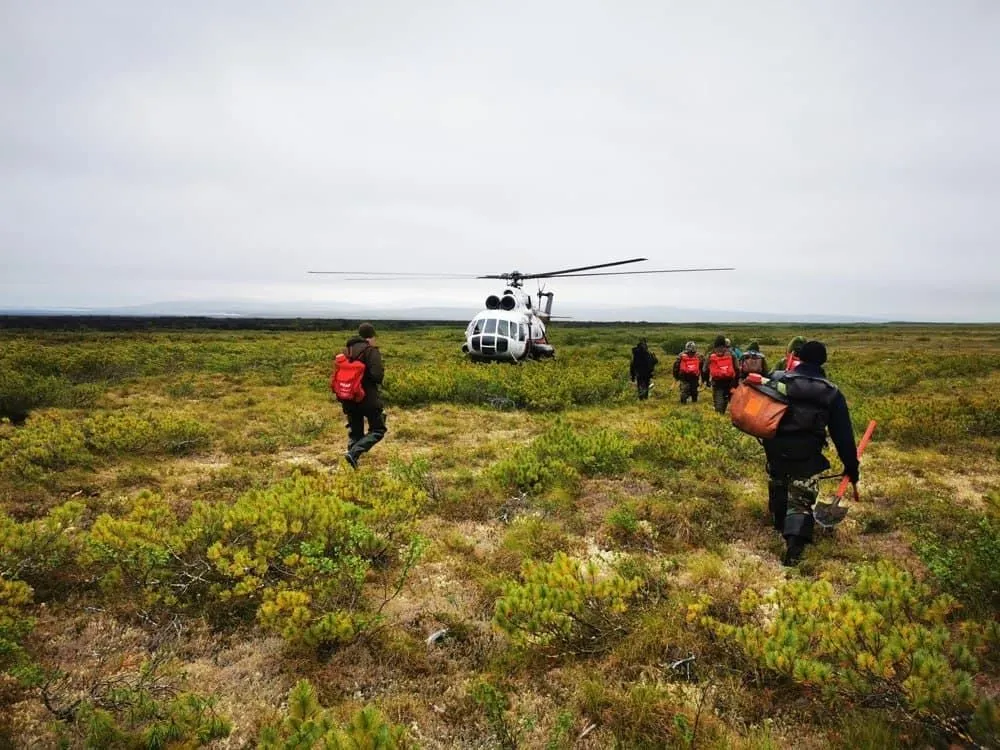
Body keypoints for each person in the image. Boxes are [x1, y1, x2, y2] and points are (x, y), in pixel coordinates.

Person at [762, 341, 859, 565]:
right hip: (807, 453)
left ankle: (779, 522)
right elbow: (843, 435)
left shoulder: (780, 379)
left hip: (775, 447)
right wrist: (851, 465)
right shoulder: (831, 393)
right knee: (801, 499)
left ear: (799, 357)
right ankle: (794, 548)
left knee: (778, 481)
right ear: (823, 361)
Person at [341, 322, 386, 468]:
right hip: (367, 398)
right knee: (378, 429)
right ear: (371, 337)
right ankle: (354, 454)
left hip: (348, 398)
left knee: (356, 433)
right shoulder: (370, 351)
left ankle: (351, 462)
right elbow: (377, 376)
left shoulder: (347, 351)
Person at [703, 335, 739, 414]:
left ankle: (720, 415)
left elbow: (704, 369)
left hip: (717, 382)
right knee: (728, 400)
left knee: (718, 402)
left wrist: (706, 381)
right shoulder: (731, 353)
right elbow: (737, 368)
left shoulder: (710, 354)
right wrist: (736, 382)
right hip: (730, 382)